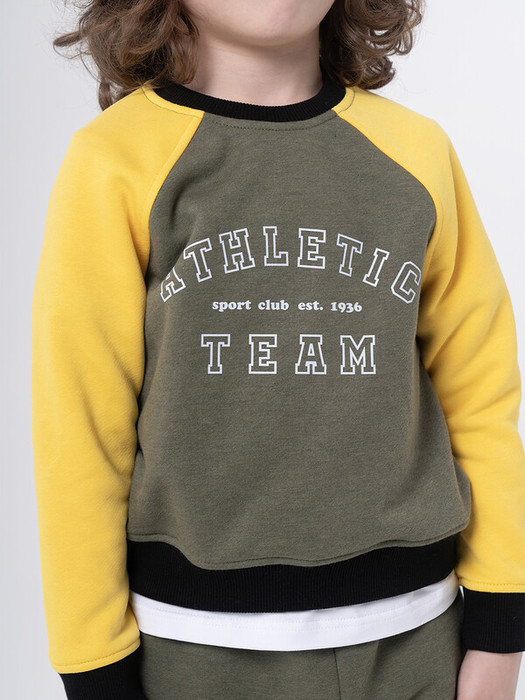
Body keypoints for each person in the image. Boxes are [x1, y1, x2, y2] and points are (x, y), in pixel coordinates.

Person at [31, 0, 525, 698]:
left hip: (418, 639)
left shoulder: (415, 151)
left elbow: (479, 396)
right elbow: (78, 429)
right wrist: (92, 664)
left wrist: (503, 620)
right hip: (194, 651)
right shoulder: (114, 160)